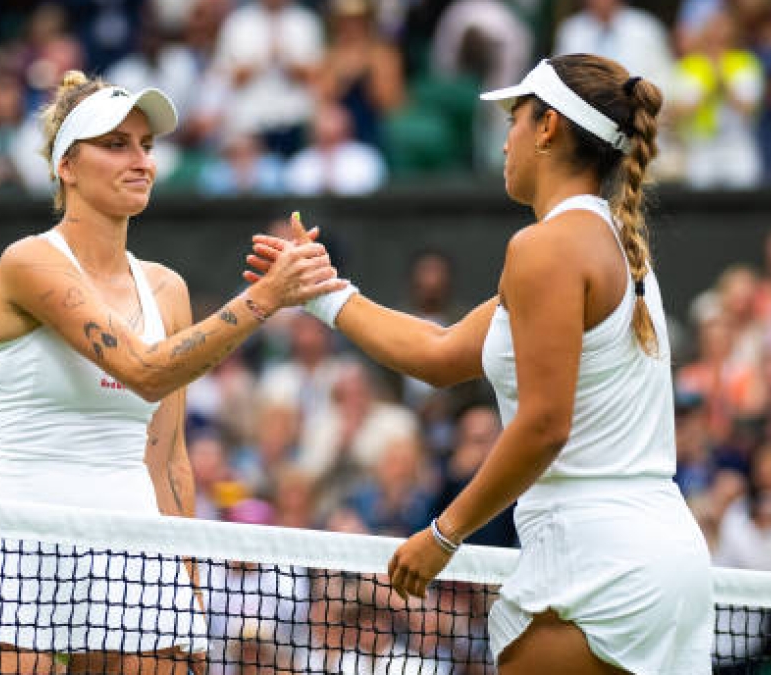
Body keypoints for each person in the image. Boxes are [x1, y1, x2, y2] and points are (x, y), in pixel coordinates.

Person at [249, 54, 712, 673]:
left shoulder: (545, 248)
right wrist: (325, 294)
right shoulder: (606, 244)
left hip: (599, 564)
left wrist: (443, 535)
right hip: (662, 561)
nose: (504, 139)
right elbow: (439, 356)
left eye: (514, 118)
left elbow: (546, 424)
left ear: (547, 128)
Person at [0, 71, 341, 675]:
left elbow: (168, 459)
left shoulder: (167, 289)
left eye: (147, 146)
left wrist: (187, 587)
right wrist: (265, 299)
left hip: (131, 544)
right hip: (8, 539)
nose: (140, 160)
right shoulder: (28, 262)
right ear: (67, 166)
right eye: (116, 145)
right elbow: (142, 369)